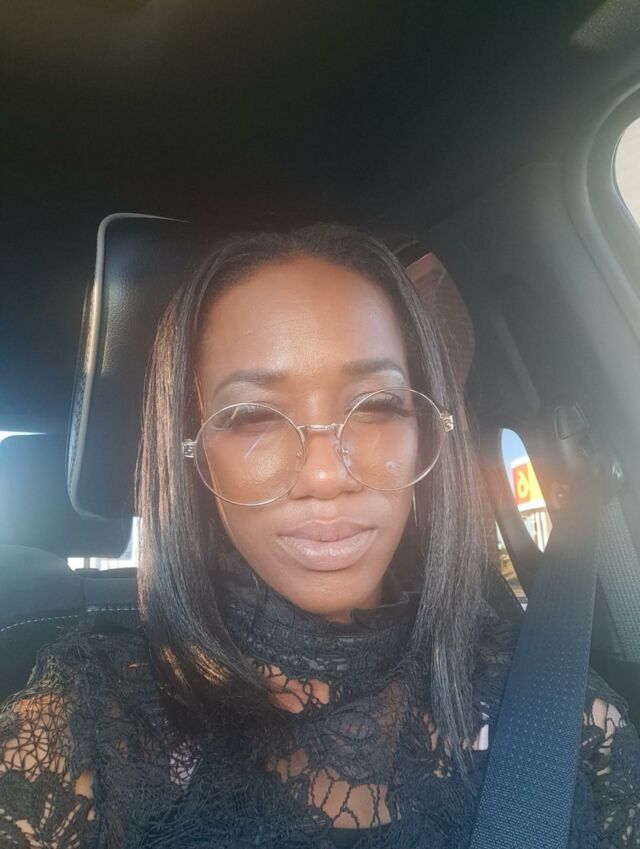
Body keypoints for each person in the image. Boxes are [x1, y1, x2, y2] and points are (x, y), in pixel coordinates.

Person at [0, 224, 638, 848]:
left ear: (426, 427)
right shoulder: (88, 732)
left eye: (378, 405)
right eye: (253, 415)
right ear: (193, 453)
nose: (326, 475)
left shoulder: (559, 705)